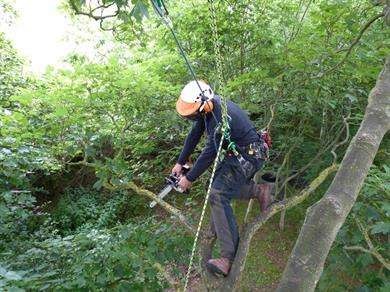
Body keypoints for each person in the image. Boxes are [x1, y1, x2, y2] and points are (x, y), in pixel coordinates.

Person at [172, 80, 272, 276]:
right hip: (241, 154)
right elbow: (194, 135)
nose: (191, 116)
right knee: (218, 190)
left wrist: (189, 178)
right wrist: (180, 161)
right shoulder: (209, 108)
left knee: (218, 195)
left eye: (193, 112)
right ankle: (259, 191)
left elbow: (210, 152)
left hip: (248, 156)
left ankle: (228, 258)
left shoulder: (218, 117)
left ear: (203, 105)